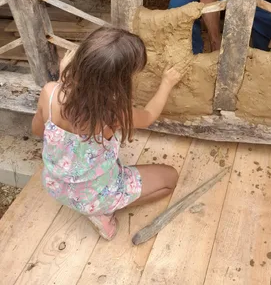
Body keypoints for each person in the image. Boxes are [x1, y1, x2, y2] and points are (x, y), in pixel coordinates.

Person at [32, 27, 182, 241]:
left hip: (55, 185)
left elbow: (37, 130)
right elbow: (148, 115)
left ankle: (94, 204)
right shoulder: (113, 113)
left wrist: (64, 79)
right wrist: (166, 84)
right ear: (118, 82)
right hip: (94, 196)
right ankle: (103, 212)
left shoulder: (49, 92)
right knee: (170, 178)